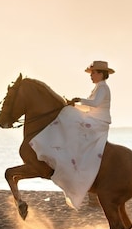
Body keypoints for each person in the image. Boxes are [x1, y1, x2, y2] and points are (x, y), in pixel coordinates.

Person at [30, 61, 115, 209]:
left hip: (98, 122)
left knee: (68, 116)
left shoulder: (103, 88)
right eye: (92, 73)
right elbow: (90, 105)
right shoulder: (98, 87)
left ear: (101, 74)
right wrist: (74, 105)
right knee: (69, 113)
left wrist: (78, 101)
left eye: (94, 73)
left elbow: (94, 104)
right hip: (93, 119)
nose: (92, 76)